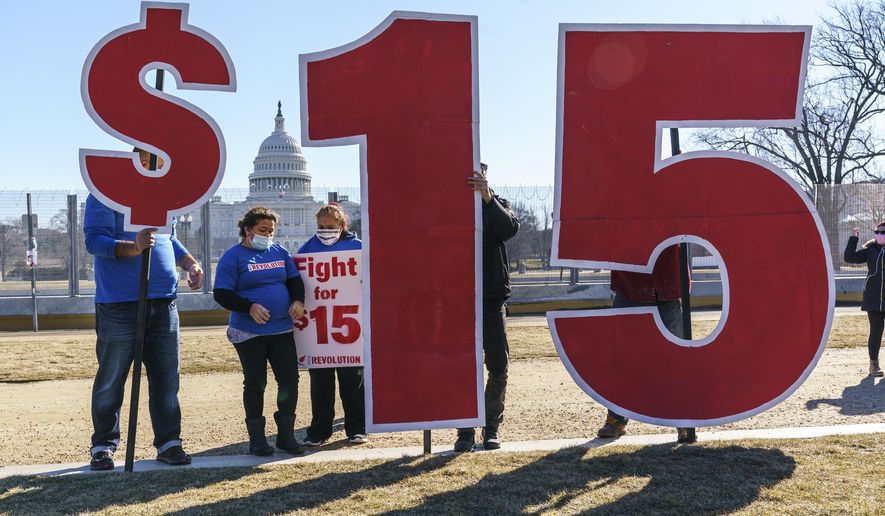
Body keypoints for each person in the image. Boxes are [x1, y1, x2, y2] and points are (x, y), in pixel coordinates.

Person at [84, 149, 203, 470]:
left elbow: (169, 239)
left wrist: (190, 263)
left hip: (164, 301)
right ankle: (103, 446)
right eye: (157, 161)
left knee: (166, 378)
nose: (162, 168)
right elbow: (94, 240)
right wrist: (132, 247)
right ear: (140, 159)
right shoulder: (105, 192)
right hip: (119, 303)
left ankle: (169, 442)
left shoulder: (162, 194)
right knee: (112, 378)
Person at [213, 207, 306, 455]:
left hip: (281, 329)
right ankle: (257, 440)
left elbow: (294, 280)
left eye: (271, 231)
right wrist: (249, 307)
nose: (267, 234)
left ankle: (286, 436)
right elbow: (222, 293)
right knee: (256, 382)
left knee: (289, 380)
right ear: (248, 229)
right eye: (263, 230)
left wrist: (298, 300)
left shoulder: (279, 251)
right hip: (248, 332)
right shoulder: (233, 257)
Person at [595, 245, 698, 444]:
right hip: (630, 283)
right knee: (622, 359)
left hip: (667, 285)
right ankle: (616, 418)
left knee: (677, 359)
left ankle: (684, 419)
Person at [455, 163, 520, 452]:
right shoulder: (449, 205)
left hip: (491, 299)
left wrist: (487, 198)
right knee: (464, 367)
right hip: (458, 300)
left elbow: (508, 229)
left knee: (498, 366)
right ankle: (465, 430)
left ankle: (491, 427)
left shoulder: (497, 203)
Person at [297, 204, 367, 446]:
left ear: (342, 226)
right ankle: (319, 431)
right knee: (320, 384)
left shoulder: (357, 248)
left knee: (353, 381)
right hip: (320, 328)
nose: (325, 231)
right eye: (321, 227)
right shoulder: (308, 247)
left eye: (330, 227)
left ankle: (357, 428)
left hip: (349, 326)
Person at [844, 225, 885, 378]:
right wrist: (854, 238)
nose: (879, 234)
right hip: (873, 300)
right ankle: (873, 364)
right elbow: (849, 258)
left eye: (883, 232)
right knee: (876, 331)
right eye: (877, 232)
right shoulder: (870, 250)